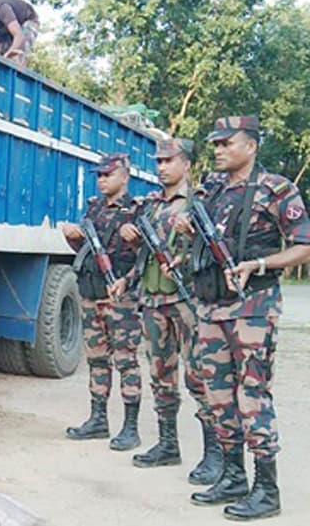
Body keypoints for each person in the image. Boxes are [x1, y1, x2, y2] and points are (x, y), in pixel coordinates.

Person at [174, 116, 310, 521]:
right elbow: (203, 245)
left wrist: (261, 263)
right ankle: (233, 476)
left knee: (251, 397)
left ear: (250, 146)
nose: (217, 150)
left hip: (252, 308)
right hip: (210, 308)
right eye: (214, 143)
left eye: (226, 143)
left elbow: (305, 245)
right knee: (216, 395)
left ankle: (267, 491)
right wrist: (186, 229)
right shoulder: (212, 191)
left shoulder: (276, 189)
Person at [111, 139, 220, 484]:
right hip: (154, 301)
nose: (161, 167)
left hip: (187, 301)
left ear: (186, 164)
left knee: (199, 376)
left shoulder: (202, 202)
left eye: (169, 161)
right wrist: (129, 260)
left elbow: (214, 248)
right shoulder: (152, 206)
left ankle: (214, 455)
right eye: (158, 161)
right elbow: (145, 257)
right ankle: (168, 444)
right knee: (160, 374)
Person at [61, 153, 143, 451]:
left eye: (108, 175)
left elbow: (145, 258)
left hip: (119, 296)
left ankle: (130, 427)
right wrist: (73, 238)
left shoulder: (136, 211)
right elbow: (84, 251)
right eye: (99, 175)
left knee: (126, 360)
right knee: (96, 358)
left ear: (125, 176)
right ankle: (98, 419)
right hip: (91, 291)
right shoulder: (93, 209)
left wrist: (128, 282)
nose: (102, 180)